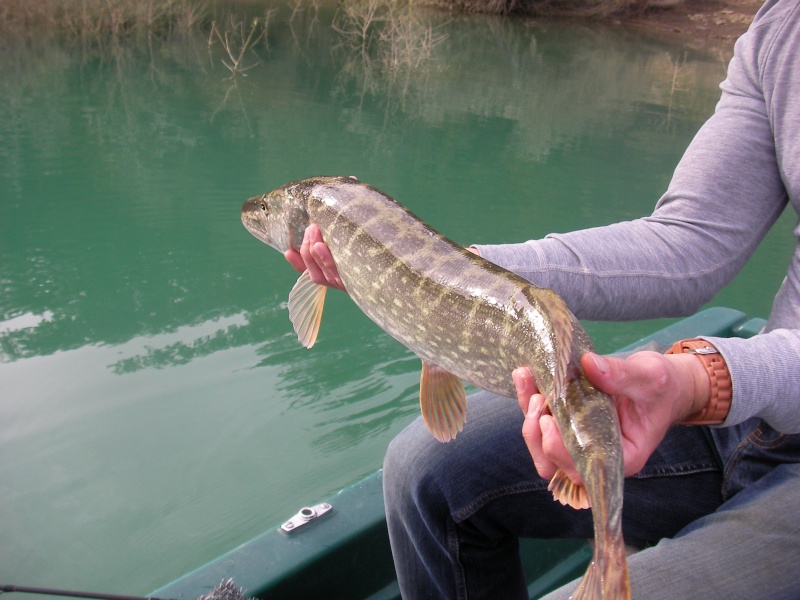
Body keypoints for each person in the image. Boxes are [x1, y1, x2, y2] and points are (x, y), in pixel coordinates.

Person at [285, 1, 800, 597]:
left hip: (741, 390)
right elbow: (692, 243)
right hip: (752, 410)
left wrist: (703, 381)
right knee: (422, 469)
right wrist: (443, 273)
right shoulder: (781, 26)